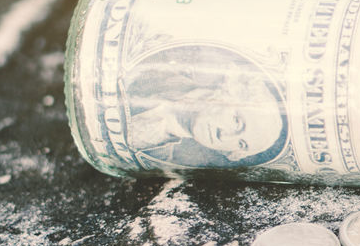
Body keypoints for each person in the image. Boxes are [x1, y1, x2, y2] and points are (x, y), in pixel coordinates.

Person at [120, 44, 288, 170]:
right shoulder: (168, 53)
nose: (224, 136)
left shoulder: (153, 155)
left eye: (241, 143)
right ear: (231, 91)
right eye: (237, 122)